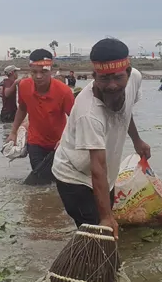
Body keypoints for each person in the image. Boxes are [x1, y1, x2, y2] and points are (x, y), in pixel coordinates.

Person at [52, 38, 150, 238]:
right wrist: (106, 217)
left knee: (106, 230)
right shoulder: (88, 112)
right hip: (74, 176)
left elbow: (126, 110)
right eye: (104, 79)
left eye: (118, 78)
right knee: (98, 233)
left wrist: (137, 140)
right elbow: (97, 166)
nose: (112, 85)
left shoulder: (135, 78)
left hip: (105, 176)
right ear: (94, 76)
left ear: (129, 74)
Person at [7, 49, 75, 184]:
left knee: (59, 182)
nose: (38, 76)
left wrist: (66, 139)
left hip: (59, 145)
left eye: (43, 72)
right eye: (34, 72)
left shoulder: (64, 92)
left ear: (50, 70)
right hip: (35, 142)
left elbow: (75, 119)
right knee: (40, 184)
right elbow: (22, 109)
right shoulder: (24, 86)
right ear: (30, 70)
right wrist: (13, 132)